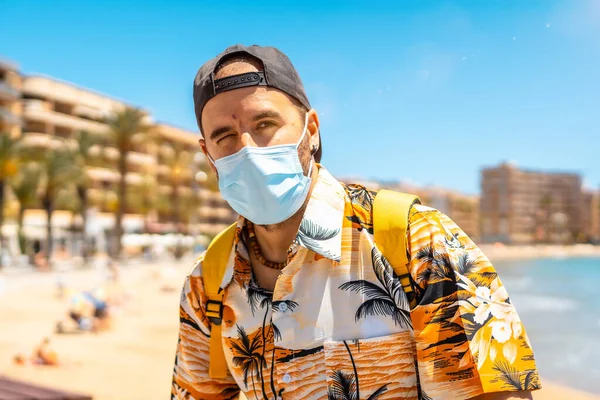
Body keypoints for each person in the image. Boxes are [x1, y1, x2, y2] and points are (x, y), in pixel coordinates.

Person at [171, 45, 541, 400]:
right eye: (225, 136)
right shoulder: (208, 283)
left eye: (265, 123)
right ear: (208, 154)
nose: (248, 149)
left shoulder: (416, 239)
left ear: (311, 130)